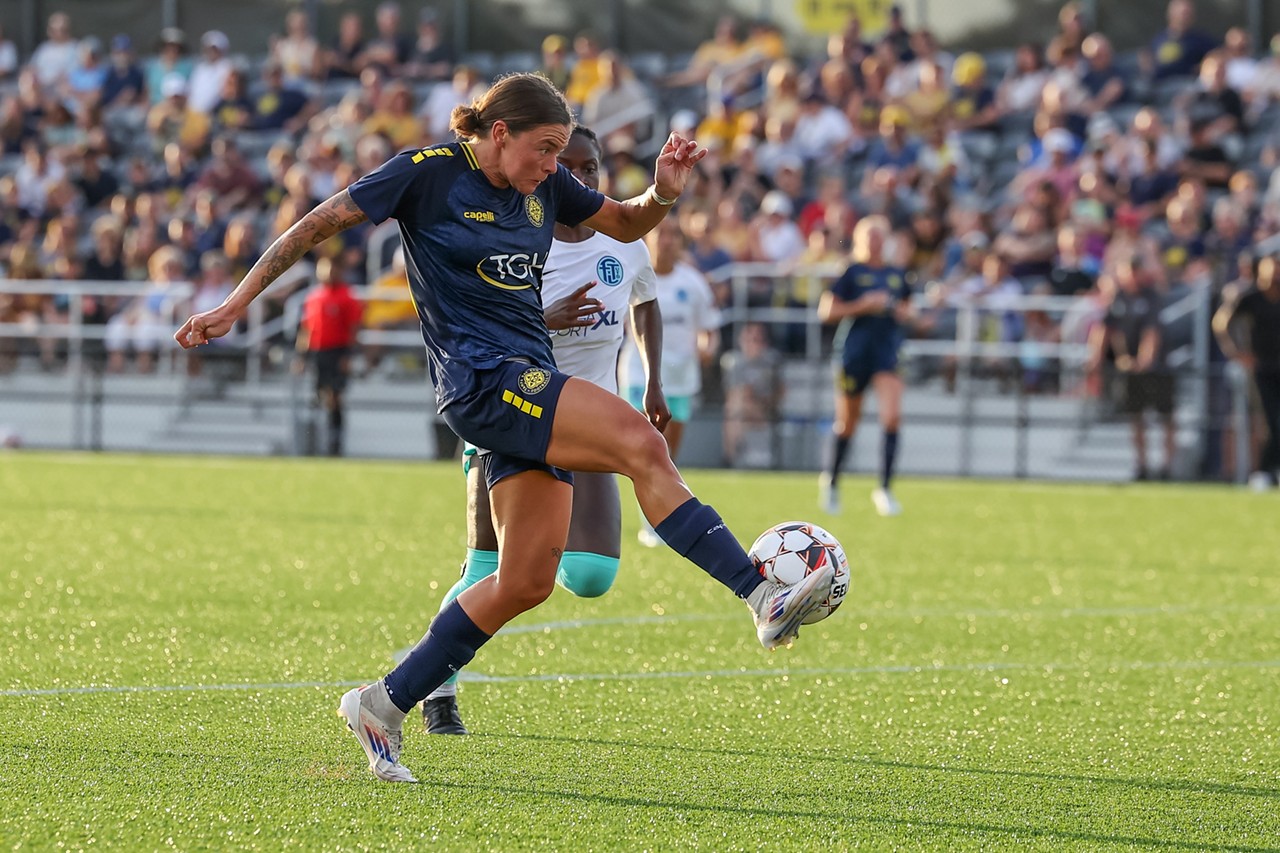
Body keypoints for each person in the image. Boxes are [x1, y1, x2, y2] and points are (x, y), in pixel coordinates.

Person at [174, 73, 833, 783]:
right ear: (498, 133)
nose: (555, 166)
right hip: (483, 381)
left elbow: (627, 222)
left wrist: (665, 189)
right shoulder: (426, 174)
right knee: (642, 444)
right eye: (545, 149)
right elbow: (315, 224)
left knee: (525, 580)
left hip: (522, 381)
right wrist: (237, 302)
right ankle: (759, 591)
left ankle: (382, 703)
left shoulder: (543, 185)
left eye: (561, 154)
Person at [420, 125, 667, 735]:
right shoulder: (520, 238)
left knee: (590, 576)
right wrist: (545, 316)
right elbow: (482, 319)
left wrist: (651, 380)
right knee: (487, 570)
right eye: (567, 166)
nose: (579, 179)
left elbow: (645, 302)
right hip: (510, 417)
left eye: (590, 167)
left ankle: (535, 550)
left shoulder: (624, 241)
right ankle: (436, 686)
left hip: (592, 424)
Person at [619, 217, 722, 546]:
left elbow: (709, 329)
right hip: (640, 376)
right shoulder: (632, 275)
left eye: (673, 235)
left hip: (680, 380)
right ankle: (651, 524)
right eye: (661, 233)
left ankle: (660, 516)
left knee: (666, 457)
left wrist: (708, 346)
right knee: (647, 450)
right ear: (648, 239)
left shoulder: (692, 283)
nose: (667, 240)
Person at [817, 215, 913, 517]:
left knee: (892, 416)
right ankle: (831, 482)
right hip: (853, 353)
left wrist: (902, 311)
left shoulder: (897, 275)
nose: (874, 242)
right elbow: (827, 311)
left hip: (887, 353)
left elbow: (910, 311)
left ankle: (884, 488)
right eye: (869, 236)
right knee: (847, 422)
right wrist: (864, 305)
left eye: (879, 236)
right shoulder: (851, 272)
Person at [1088, 255, 1176, 481]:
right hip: (1131, 369)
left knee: (1166, 417)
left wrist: (1143, 362)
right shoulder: (1118, 298)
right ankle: (1142, 465)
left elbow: (1152, 333)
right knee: (1136, 417)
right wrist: (1096, 360)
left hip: (1158, 369)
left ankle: (1167, 466)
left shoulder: (1151, 297)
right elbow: (1105, 330)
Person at [1214, 255, 1280, 490]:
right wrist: (1237, 353)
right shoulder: (1251, 297)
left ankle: (1270, 470)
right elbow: (1221, 323)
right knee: (1271, 421)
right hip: (1262, 369)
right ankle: (1263, 471)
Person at [298, 257, 363, 456]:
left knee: (335, 396)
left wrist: (348, 356)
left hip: (337, 351)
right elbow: (307, 329)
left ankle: (335, 440)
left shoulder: (347, 297)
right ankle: (317, 439)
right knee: (319, 395)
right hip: (318, 352)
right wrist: (302, 356)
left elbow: (353, 329)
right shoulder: (314, 297)